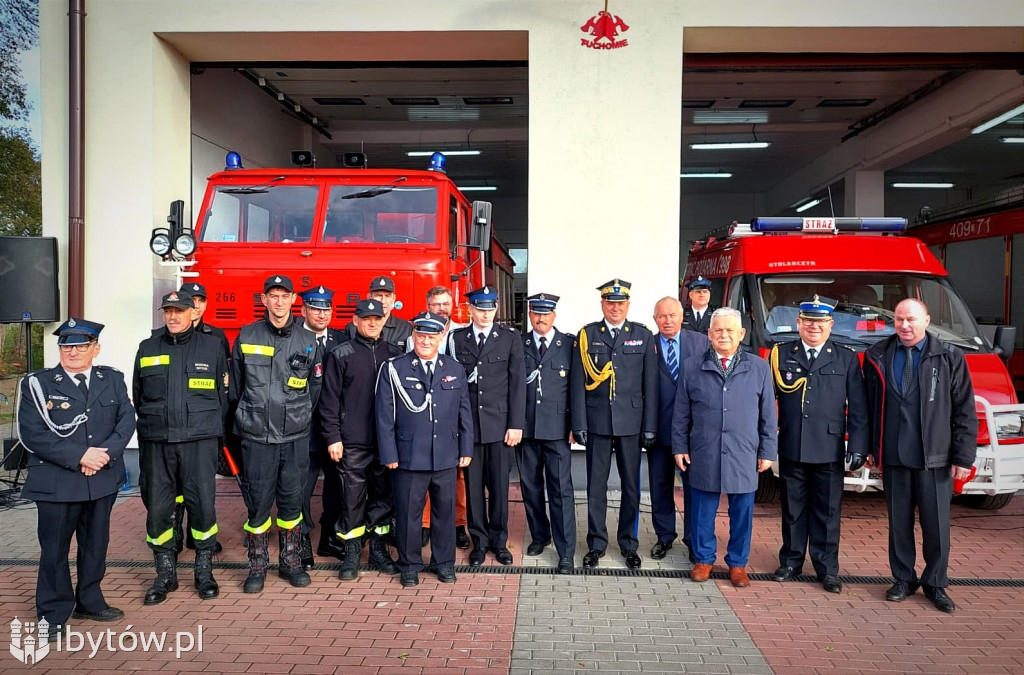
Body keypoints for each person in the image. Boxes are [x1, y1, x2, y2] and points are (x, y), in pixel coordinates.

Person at [17, 318, 135, 636]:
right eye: (66, 346)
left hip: (100, 478)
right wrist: (80, 456)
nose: (73, 352)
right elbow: (32, 435)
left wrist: (103, 455)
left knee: (95, 544)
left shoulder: (111, 379)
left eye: (81, 345)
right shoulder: (37, 384)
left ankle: (89, 601)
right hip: (57, 480)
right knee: (54, 550)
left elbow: (126, 421)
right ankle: (53, 613)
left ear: (95, 349)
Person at [862, 298, 977, 613]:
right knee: (898, 524)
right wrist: (871, 447)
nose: (904, 325)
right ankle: (903, 579)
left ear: (927, 320)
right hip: (895, 456)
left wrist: (963, 457)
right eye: (899, 319)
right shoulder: (878, 356)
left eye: (911, 319)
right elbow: (870, 409)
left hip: (935, 458)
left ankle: (936, 583)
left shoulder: (950, 357)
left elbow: (965, 411)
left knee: (937, 526)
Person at [133, 290, 229, 604]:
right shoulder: (147, 347)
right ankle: (165, 574)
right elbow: (139, 393)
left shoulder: (212, 346)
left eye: (179, 310)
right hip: (157, 443)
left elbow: (222, 398)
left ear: (193, 312)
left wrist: (210, 433)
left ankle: (204, 571)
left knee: (202, 506)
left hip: (198, 443)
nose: (173, 317)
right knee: (159, 510)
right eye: (168, 311)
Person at [768, 295, 869, 593]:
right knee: (792, 508)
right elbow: (763, 401)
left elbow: (859, 407)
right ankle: (791, 561)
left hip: (829, 446)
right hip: (793, 442)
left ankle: (827, 569)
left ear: (830, 325)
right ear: (798, 323)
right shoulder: (781, 354)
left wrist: (859, 447)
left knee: (827, 511)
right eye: (809, 321)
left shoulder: (846, 357)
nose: (814, 327)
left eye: (821, 322)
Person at [672, 307, 777, 587]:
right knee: (702, 510)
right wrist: (679, 446)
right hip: (705, 449)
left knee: (741, 513)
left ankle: (738, 564)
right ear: (709, 334)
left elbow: (768, 413)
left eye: (730, 330)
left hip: (744, 451)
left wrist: (768, 450)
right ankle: (704, 559)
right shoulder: (693, 366)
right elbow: (681, 412)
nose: (724, 335)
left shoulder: (758, 367)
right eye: (718, 330)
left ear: (741, 334)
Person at [230, 274, 317, 592]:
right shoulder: (247, 334)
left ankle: (291, 563)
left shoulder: (308, 341)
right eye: (273, 295)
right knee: (258, 505)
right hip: (256, 437)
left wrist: (301, 416)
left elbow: (314, 388)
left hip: (294, 437)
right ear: (263, 299)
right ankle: (257, 567)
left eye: (284, 295)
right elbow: (236, 387)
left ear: (294, 299)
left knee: (292, 504)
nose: (279, 301)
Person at [376, 311, 474, 587]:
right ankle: (409, 564)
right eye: (421, 336)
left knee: (445, 513)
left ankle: (444, 563)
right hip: (408, 456)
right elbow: (384, 415)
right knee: (409, 515)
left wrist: (466, 447)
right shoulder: (395, 368)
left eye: (432, 336)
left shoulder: (453, 368)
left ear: (441, 337)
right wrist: (389, 454)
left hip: (445, 454)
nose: (426, 341)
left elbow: (464, 412)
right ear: (413, 337)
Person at [571, 279, 658, 570]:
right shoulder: (586, 335)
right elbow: (577, 385)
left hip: (631, 424)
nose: (615, 307)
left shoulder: (643, 336)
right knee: (596, 488)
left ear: (628, 305)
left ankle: (629, 544)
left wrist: (650, 426)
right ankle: (596, 544)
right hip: (597, 422)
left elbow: (651, 385)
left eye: (620, 303)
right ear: (603, 305)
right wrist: (579, 422)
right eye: (610, 302)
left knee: (631, 487)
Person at [320, 299, 403, 581]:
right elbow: (329, 401)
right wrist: (333, 437)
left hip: (385, 443)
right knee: (351, 500)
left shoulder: (394, 354)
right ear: (355, 321)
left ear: (384, 320)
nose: (372, 323)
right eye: (366, 318)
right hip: (351, 441)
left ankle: (379, 550)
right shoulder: (340, 354)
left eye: (377, 318)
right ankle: (352, 552)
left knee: (382, 499)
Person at [449, 285, 526, 566]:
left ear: (496, 309)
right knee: (472, 487)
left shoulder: (509, 338)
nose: (485, 313)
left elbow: (518, 385)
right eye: (479, 308)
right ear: (470, 309)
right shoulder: (457, 339)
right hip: (470, 428)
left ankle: (499, 542)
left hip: (500, 427)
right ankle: (478, 542)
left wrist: (515, 424)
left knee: (498, 488)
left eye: (490, 308)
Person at [518, 292, 577, 574]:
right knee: (530, 488)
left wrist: (576, 427)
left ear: (554, 315)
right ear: (530, 314)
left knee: (560, 490)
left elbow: (576, 390)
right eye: (536, 313)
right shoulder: (520, 344)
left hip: (557, 431)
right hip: (527, 429)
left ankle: (566, 550)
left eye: (546, 313)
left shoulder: (569, 345)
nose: (541, 318)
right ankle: (540, 536)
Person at [650, 296, 709, 563]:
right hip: (658, 431)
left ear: (681, 316)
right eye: (662, 316)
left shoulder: (701, 343)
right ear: (655, 319)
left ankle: (693, 540)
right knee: (660, 487)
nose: (668, 320)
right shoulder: (646, 345)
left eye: (672, 315)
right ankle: (664, 537)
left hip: (693, 433)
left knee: (693, 488)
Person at [296, 285, 349, 569]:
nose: (321, 313)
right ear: (303, 310)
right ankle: (302, 540)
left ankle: (328, 538)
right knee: (301, 490)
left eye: (326, 308)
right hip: (302, 430)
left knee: (336, 490)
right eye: (315, 308)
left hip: (335, 432)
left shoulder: (342, 340)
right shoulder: (293, 338)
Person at [415, 286, 471, 550]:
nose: (441, 309)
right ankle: (425, 524)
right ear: (428, 304)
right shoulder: (417, 332)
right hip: (423, 414)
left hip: (453, 413)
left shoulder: (461, 333)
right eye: (436, 304)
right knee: (424, 474)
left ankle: (459, 524)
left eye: (446, 304)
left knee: (457, 476)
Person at [345, 275, 413, 348]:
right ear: (369, 297)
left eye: (387, 296)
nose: (383, 301)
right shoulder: (352, 327)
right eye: (378, 295)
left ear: (393, 298)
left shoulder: (405, 328)